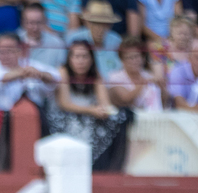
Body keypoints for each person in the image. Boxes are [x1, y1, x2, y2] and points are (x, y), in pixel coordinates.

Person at [44, 38, 132, 170]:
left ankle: (108, 167)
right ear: (69, 58)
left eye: (85, 56)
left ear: (91, 59)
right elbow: (64, 104)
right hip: (64, 116)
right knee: (79, 123)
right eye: (76, 56)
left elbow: (105, 104)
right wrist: (92, 110)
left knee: (121, 116)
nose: (81, 61)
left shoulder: (96, 75)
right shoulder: (63, 71)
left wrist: (104, 111)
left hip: (88, 116)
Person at [0, 30, 59, 107]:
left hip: (34, 113)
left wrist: (41, 74)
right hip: (3, 115)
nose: (5, 55)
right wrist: (23, 73)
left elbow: (56, 77)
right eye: (1, 51)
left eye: (9, 50)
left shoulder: (30, 64)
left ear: (19, 51)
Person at [66, 0, 124, 74]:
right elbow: (65, 68)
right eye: (96, 23)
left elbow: (122, 69)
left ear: (110, 25)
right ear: (87, 23)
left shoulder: (117, 41)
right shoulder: (74, 39)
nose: (100, 28)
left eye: (105, 24)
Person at [107, 34, 165, 108]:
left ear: (143, 58)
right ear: (122, 60)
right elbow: (125, 98)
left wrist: (162, 89)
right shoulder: (115, 77)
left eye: (137, 56)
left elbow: (162, 102)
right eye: (129, 57)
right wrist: (143, 83)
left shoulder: (149, 76)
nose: (134, 61)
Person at [18, 2, 66, 68]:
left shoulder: (57, 44)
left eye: (38, 23)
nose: (35, 28)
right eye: (31, 23)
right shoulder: (15, 41)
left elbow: (61, 72)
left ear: (45, 21)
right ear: (23, 23)